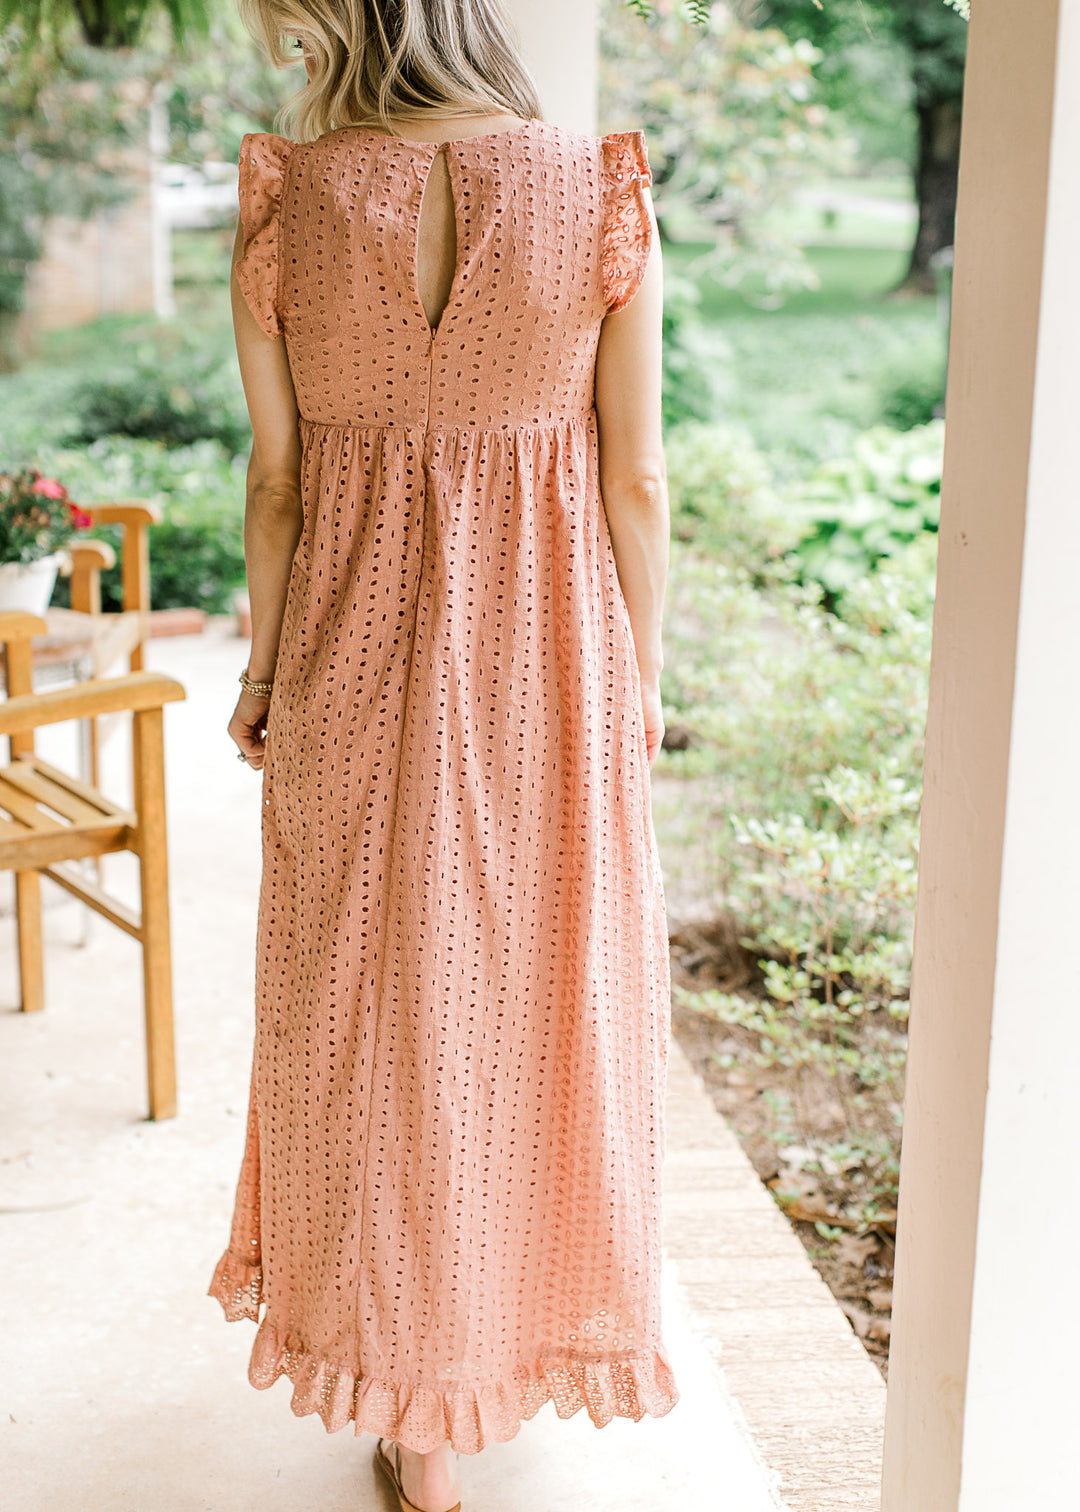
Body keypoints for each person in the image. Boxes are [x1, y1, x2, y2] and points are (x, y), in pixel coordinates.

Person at [208, 1, 676, 1508]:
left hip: (348, 662)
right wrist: (637, 682)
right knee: (533, 1012)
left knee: (371, 1023)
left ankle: (411, 1407)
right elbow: (638, 478)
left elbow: (277, 483)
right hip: (550, 667)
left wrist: (268, 666)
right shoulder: (595, 187)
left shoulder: (292, 196)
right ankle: (475, 1376)